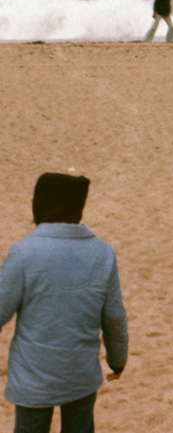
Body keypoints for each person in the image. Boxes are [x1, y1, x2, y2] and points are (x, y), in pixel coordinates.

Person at [1, 173, 128, 433]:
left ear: (41, 204)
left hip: (33, 378)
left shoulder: (23, 252)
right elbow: (114, 318)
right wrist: (118, 360)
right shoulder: (103, 253)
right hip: (80, 376)